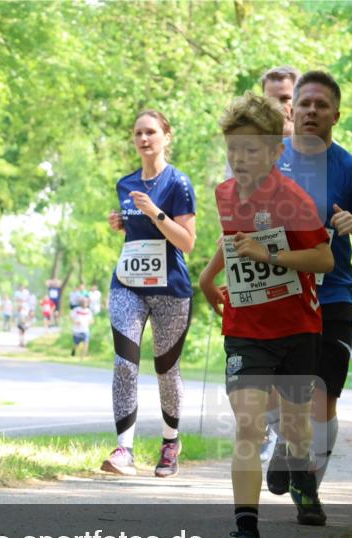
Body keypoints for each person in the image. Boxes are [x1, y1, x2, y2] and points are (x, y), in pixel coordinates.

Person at [199, 92, 333, 538]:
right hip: (246, 325)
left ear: (277, 151)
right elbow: (233, 240)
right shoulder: (223, 193)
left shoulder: (294, 200)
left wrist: (270, 256)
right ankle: (246, 531)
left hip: (297, 326)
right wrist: (208, 276)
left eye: (251, 149)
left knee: (296, 425)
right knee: (249, 425)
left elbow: (324, 258)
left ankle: (302, 478)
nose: (239, 159)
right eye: (233, 149)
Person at [266, 70, 352, 493]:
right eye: (304, 103)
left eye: (321, 105)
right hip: (276, 294)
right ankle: (286, 439)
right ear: (292, 108)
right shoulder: (270, 159)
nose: (311, 111)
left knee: (323, 398)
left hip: (332, 295)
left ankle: (309, 485)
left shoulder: (351, 170)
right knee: (273, 393)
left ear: (335, 115)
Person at [102, 109, 196, 478]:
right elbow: (134, 230)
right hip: (128, 285)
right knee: (125, 363)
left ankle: (170, 442)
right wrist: (121, 223)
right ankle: (124, 449)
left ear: (166, 137)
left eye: (151, 132)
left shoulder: (179, 183)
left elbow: (187, 242)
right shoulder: (125, 183)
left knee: (165, 370)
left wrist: (155, 212)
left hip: (171, 290)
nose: (144, 139)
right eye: (138, 133)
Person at [258, 65, 300, 463]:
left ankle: (291, 444)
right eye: (272, 98)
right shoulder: (248, 147)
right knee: (259, 371)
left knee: (296, 376)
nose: (280, 106)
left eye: (286, 98)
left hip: (306, 278)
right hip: (260, 275)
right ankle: (274, 429)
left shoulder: (313, 149)